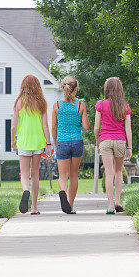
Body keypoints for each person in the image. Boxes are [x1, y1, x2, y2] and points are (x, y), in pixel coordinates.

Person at [11, 74, 52, 214]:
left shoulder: (19, 102)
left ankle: (25, 191)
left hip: (23, 142)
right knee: (35, 174)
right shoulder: (42, 103)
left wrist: (13, 140)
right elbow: (45, 126)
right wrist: (48, 143)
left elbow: (13, 126)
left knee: (24, 173)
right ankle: (34, 208)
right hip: (38, 142)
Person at [94, 77, 132, 214]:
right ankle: (118, 201)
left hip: (105, 140)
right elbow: (128, 129)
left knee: (108, 173)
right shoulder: (125, 106)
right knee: (118, 171)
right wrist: (130, 147)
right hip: (120, 141)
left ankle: (110, 206)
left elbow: (96, 127)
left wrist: (98, 140)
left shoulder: (101, 104)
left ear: (107, 89)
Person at [51, 76, 90, 214]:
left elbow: (54, 127)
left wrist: (55, 143)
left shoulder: (56, 105)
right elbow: (86, 127)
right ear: (76, 89)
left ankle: (63, 192)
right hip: (77, 142)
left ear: (63, 88)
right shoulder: (80, 105)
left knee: (63, 176)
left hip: (62, 142)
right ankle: (71, 206)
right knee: (74, 175)